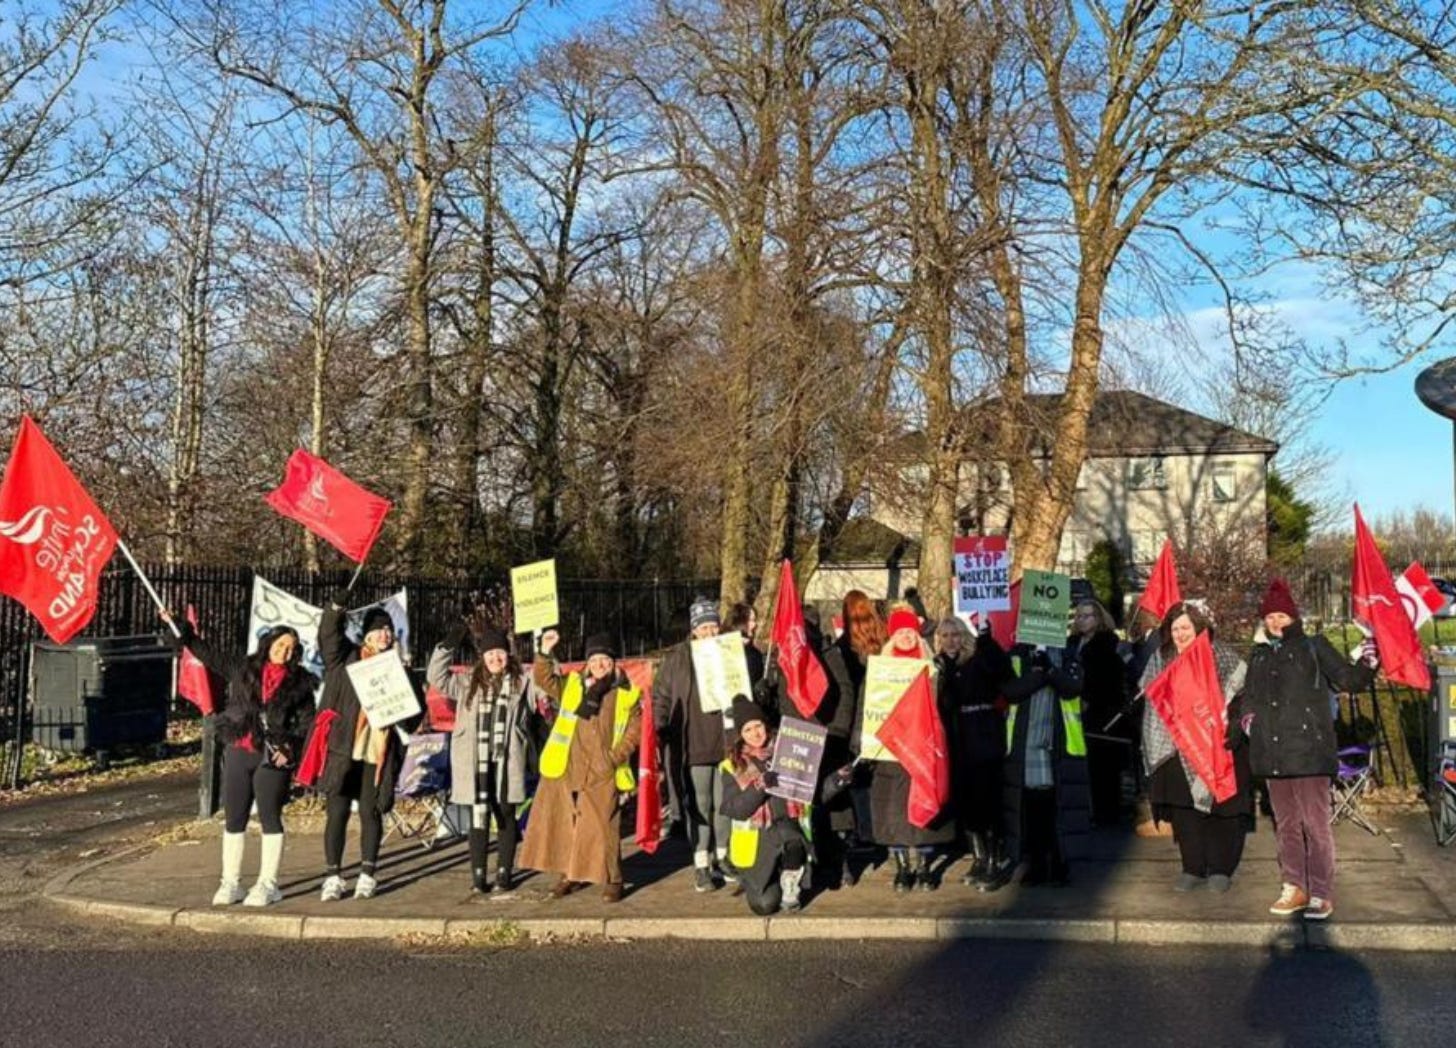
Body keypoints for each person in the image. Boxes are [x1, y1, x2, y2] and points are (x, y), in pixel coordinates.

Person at [1233, 578, 1377, 921]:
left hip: (1310, 752)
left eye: (1281, 615)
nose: (1275, 622)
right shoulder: (1259, 654)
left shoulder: (1315, 646)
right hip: (1272, 754)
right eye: (1269, 617)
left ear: (1293, 617)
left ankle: (1321, 892)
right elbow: (1249, 697)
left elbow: (1348, 680)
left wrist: (1369, 661)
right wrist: (1248, 722)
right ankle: (1293, 887)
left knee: (1316, 825)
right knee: (1285, 825)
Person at [164, 612, 316, 907]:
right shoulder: (243, 668)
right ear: (268, 643)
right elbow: (205, 652)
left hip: (273, 755)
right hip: (239, 748)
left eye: (290, 647)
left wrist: (291, 749)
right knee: (235, 816)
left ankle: (268, 884)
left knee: (270, 816)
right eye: (280, 644)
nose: (284, 651)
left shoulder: (300, 683)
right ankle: (230, 882)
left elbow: (305, 724)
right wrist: (177, 626)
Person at [521, 629, 642, 902]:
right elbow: (543, 677)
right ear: (587, 663)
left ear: (614, 663)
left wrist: (613, 758)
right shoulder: (573, 685)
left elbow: (634, 730)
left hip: (602, 769)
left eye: (606, 660)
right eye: (595, 660)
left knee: (604, 826)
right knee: (569, 823)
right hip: (568, 764)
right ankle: (570, 875)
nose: (600, 665)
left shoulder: (625, 692)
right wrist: (544, 652)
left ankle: (614, 879)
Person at [1138, 601, 1251, 893]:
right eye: (1175, 629)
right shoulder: (1161, 658)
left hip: (1215, 745)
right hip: (1177, 746)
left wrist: (1235, 724)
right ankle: (1192, 867)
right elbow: (1150, 698)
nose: (1180, 634)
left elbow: (1243, 691)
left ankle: (1220, 868)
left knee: (1220, 810)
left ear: (1199, 627)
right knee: (1184, 811)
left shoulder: (1220, 654)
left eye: (1185, 627)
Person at [427, 618, 545, 896]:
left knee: (505, 817)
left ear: (508, 655)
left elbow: (547, 687)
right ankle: (478, 874)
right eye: (490, 653)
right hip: (474, 764)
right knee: (477, 819)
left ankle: (504, 872)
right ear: (483, 657)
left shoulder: (522, 682)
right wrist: (446, 647)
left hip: (507, 761)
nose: (495, 658)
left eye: (500, 653)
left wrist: (545, 652)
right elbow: (435, 676)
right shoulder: (467, 682)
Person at [314, 592, 416, 902]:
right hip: (344, 748)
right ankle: (333, 876)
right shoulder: (345, 658)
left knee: (371, 813)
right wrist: (336, 608)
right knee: (338, 812)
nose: (384, 635)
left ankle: (368, 874)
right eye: (378, 630)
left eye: (388, 630)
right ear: (366, 635)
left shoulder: (399, 669)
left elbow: (413, 715)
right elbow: (328, 634)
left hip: (378, 751)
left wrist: (407, 699)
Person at [870, 606, 955, 892]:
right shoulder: (880, 668)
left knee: (924, 808)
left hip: (923, 748)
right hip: (891, 751)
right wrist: (863, 736)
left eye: (910, 632)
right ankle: (902, 867)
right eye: (900, 632)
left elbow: (944, 707)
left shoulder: (931, 666)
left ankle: (924, 867)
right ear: (891, 637)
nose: (906, 637)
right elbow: (868, 705)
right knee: (894, 813)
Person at [652, 597, 734, 892]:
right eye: (705, 627)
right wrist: (661, 727)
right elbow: (660, 694)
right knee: (700, 804)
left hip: (725, 740)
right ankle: (701, 863)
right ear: (694, 629)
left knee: (724, 802)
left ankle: (723, 856)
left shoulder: (729, 652)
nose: (710, 632)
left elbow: (742, 686)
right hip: (692, 741)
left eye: (714, 626)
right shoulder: (677, 658)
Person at [1003, 640, 1089, 886]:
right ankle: (1037, 864)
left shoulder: (1069, 653)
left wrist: (1050, 669)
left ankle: (1060, 863)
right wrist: (1040, 674)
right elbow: (1010, 690)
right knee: (1033, 808)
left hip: (1058, 744)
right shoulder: (1018, 655)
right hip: (1026, 744)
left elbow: (1073, 687)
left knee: (1056, 808)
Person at [938, 616, 1015, 890]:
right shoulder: (941, 666)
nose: (950, 640)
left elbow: (1001, 671)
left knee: (988, 798)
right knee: (967, 801)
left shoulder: (978, 659)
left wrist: (985, 636)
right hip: (958, 741)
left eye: (955, 634)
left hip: (984, 735)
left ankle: (996, 858)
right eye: (944, 635)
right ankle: (979, 857)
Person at [719, 696, 814, 915]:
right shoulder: (731, 765)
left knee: (791, 835)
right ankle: (768, 878)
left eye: (758, 726)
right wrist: (760, 786)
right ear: (740, 735)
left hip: (789, 830)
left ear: (766, 725)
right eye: (748, 729)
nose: (755, 733)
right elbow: (734, 809)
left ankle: (791, 877)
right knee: (765, 905)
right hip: (759, 842)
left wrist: (837, 780)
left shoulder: (789, 752)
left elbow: (813, 791)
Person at [818, 590, 885, 886]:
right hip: (876, 724)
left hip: (845, 728)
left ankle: (851, 845)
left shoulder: (837, 653)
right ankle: (877, 837)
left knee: (844, 789)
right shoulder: (882, 648)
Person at [1069, 600, 1130, 826]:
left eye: (1088, 616)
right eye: (1080, 616)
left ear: (1099, 618)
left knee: (1103, 768)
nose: (1083, 620)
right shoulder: (1071, 643)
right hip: (1074, 713)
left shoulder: (1108, 644)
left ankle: (1107, 814)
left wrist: (1090, 699)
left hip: (1102, 714)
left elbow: (1111, 681)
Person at [725, 602, 766, 685]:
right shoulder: (720, 648)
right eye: (751, 620)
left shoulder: (755, 653)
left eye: (754, 620)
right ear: (739, 622)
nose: (755, 625)